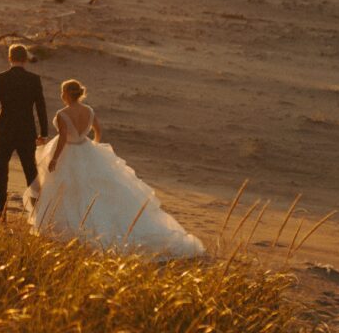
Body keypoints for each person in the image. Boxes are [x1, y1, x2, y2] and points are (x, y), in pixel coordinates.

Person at [23, 79, 204, 258]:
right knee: (92, 189)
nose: (61, 95)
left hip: (69, 151)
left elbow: (62, 139)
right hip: (87, 150)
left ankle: (67, 229)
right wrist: (93, 146)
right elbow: (98, 130)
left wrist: (55, 159)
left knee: (68, 189)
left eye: (62, 92)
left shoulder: (63, 114)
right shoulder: (89, 111)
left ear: (67, 94)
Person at [0, 44, 48, 219]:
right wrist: (44, 132)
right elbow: (40, 107)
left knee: (2, 169)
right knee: (30, 170)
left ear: (9, 58)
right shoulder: (34, 79)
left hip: (5, 129)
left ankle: (0, 210)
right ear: (25, 59)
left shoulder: (0, 78)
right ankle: (38, 209)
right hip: (27, 130)